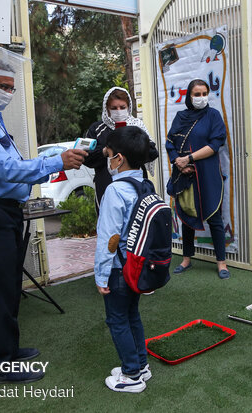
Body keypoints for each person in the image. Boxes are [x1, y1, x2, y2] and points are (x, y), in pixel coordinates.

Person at [0, 49, 88, 385]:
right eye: (3, 86)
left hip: (2, 212)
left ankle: (9, 350)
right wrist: (58, 161)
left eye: (11, 87)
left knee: (10, 286)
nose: (8, 93)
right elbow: (7, 169)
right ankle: (0, 365)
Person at [94, 126, 152, 393]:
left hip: (118, 268)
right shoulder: (146, 183)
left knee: (117, 320)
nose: (108, 160)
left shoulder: (115, 191)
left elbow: (109, 239)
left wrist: (101, 276)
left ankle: (131, 375)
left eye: (108, 154)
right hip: (138, 266)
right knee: (132, 315)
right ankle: (141, 364)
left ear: (119, 158)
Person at [165, 79, 230, 279]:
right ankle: (186, 259)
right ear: (189, 96)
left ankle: (221, 262)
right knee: (186, 216)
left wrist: (190, 158)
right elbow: (170, 143)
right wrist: (178, 162)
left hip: (207, 174)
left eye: (204, 94)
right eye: (197, 94)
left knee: (215, 218)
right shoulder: (181, 116)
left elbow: (215, 143)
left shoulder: (213, 116)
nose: (201, 98)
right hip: (183, 174)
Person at [83, 87, 157, 213]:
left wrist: (131, 148)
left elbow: (152, 153)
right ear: (107, 109)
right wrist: (105, 151)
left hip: (136, 185)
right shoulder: (97, 129)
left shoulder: (137, 126)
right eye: (114, 108)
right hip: (106, 186)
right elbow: (86, 156)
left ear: (128, 107)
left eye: (122, 107)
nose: (119, 111)